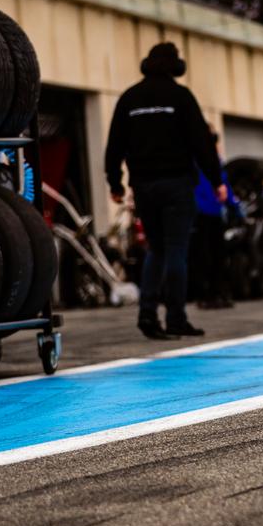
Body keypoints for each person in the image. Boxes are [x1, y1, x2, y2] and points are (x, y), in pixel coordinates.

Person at [104, 41, 226, 340]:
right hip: (177, 184)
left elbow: (114, 144)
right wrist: (217, 181)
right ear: (175, 66)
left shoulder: (130, 98)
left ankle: (147, 314)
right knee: (176, 250)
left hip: (143, 186)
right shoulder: (181, 97)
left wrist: (115, 183)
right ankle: (175, 318)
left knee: (156, 249)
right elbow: (202, 143)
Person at [191, 132, 232, 310]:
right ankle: (206, 294)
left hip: (214, 212)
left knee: (217, 255)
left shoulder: (216, 161)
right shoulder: (195, 160)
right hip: (201, 213)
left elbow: (224, 186)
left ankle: (216, 292)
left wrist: (234, 205)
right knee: (204, 255)